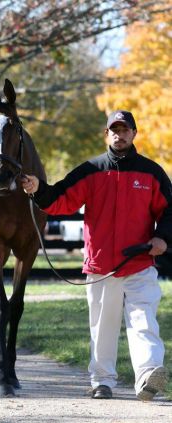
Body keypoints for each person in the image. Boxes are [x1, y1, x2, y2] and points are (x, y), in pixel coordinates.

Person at [21, 110, 172, 401]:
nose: (119, 134)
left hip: (139, 263)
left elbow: (169, 211)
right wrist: (39, 189)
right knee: (102, 326)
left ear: (134, 133)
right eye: (114, 129)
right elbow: (61, 199)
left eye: (124, 129)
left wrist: (162, 237)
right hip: (102, 266)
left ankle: (148, 376)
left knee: (144, 322)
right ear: (107, 134)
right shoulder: (91, 170)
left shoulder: (151, 172)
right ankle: (102, 381)